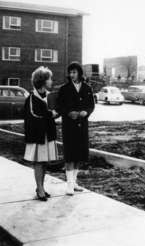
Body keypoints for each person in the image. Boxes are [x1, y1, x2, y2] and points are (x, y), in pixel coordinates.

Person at [57, 62, 95, 195]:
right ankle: (69, 185)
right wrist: (68, 113)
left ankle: (74, 183)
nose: (72, 74)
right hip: (69, 125)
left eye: (74, 72)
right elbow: (59, 106)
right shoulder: (64, 88)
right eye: (70, 72)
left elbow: (91, 105)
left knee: (79, 155)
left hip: (82, 125)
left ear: (79, 73)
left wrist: (87, 112)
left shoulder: (87, 88)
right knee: (69, 155)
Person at [24, 66, 59, 201]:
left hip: (47, 134)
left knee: (44, 162)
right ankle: (39, 189)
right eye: (49, 78)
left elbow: (52, 112)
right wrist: (51, 114)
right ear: (43, 81)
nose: (51, 81)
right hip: (38, 136)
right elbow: (34, 115)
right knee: (38, 162)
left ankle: (41, 187)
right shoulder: (32, 98)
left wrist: (55, 113)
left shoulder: (48, 96)